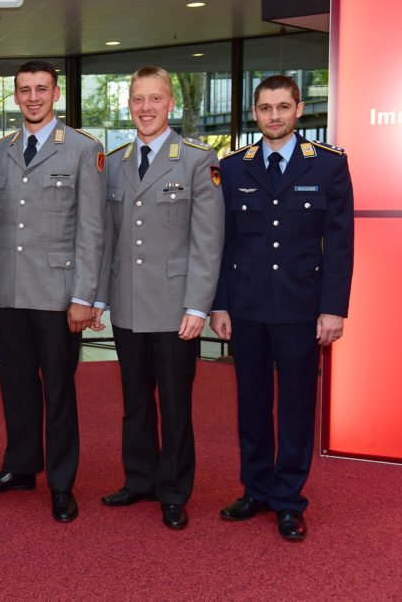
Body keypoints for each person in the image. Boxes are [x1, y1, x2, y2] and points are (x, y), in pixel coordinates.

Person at [210, 75, 354, 542]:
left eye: (283, 107)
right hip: (248, 307)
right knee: (251, 405)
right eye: (266, 107)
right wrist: (220, 304)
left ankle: (289, 499)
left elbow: (340, 243)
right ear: (255, 112)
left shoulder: (328, 166)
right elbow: (223, 243)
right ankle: (255, 489)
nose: (274, 115)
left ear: (298, 111)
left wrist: (333, 309)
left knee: (295, 407)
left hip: (300, 306)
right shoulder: (232, 167)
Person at [0, 60, 106, 523]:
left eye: (41, 89)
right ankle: (21, 466)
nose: (32, 97)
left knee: (60, 390)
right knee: (15, 387)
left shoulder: (84, 150)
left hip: (57, 293)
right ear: (15, 96)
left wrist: (84, 297)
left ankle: (62, 483)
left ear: (56, 94)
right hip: (5, 290)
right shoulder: (0, 151)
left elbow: (92, 230)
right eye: (24, 90)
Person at [93, 66, 224, 530]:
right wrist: (99, 299)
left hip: (174, 308)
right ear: (128, 105)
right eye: (137, 99)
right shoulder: (115, 161)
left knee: (174, 402)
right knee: (134, 400)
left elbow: (208, 242)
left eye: (154, 99)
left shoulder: (195, 160)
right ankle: (140, 478)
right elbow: (107, 237)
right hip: (127, 303)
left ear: (171, 104)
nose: (145, 108)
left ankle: (173, 489)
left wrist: (197, 307)